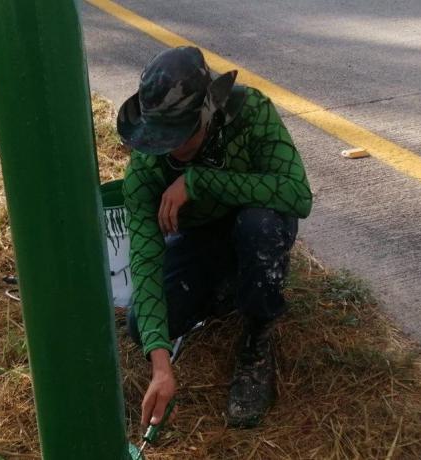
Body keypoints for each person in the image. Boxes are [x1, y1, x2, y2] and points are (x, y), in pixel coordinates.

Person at [117, 46, 312, 429]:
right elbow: (143, 254)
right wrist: (160, 363)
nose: (170, 149)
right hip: (202, 239)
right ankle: (227, 286)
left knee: (258, 226)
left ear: (208, 112)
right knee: (143, 327)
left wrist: (200, 181)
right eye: (161, 137)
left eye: (180, 136)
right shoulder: (145, 164)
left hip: (254, 223)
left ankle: (257, 339)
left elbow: (297, 195)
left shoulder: (251, 111)